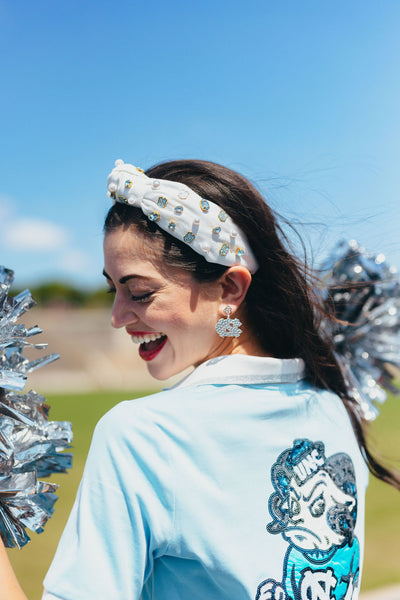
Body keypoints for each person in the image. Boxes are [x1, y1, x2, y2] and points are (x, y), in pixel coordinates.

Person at [1, 158, 399, 600]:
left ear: (230, 289)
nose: (116, 317)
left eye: (139, 293)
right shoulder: (335, 408)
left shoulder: (144, 436)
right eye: (113, 290)